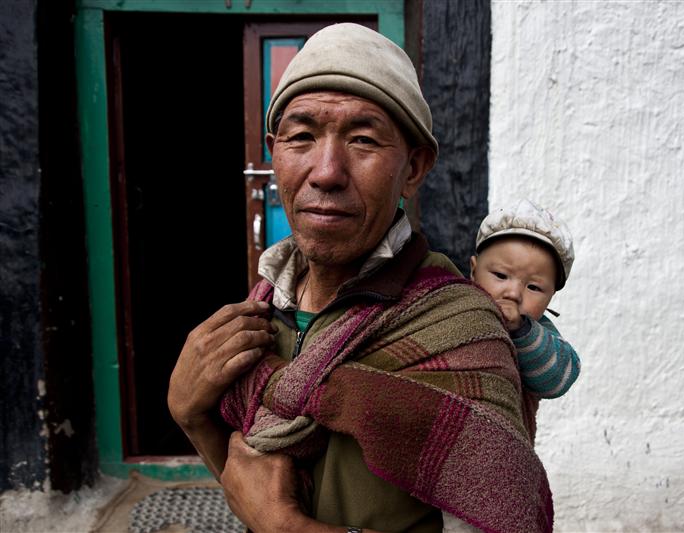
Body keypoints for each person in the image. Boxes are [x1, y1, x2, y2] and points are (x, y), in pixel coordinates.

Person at [168, 23, 553, 533]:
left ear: (413, 168)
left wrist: (285, 528)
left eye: (364, 139)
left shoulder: (461, 332)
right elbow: (255, 483)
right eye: (301, 136)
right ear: (274, 151)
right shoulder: (264, 307)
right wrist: (191, 414)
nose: (326, 171)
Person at [469, 200, 581, 403]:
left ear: (550, 297)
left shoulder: (537, 333)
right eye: (501, 275)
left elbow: (560, 378)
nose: (513, 293)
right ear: (474, 271)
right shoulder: (454, 305)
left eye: (534, 287)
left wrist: (521, 330)